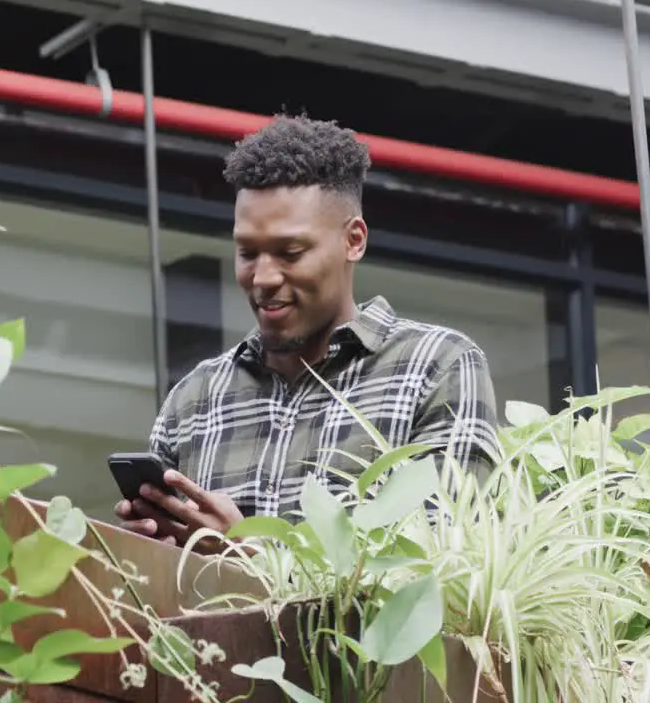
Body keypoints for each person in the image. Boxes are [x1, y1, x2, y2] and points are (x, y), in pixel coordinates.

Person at [115, 114, 500, 549]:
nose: (262, 277)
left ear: (353, 241)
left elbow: (444, 561)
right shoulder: (195, 399)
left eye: (290, 253)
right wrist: (148, 552)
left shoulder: (437, 367)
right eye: (247, 252)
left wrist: (250, 555)